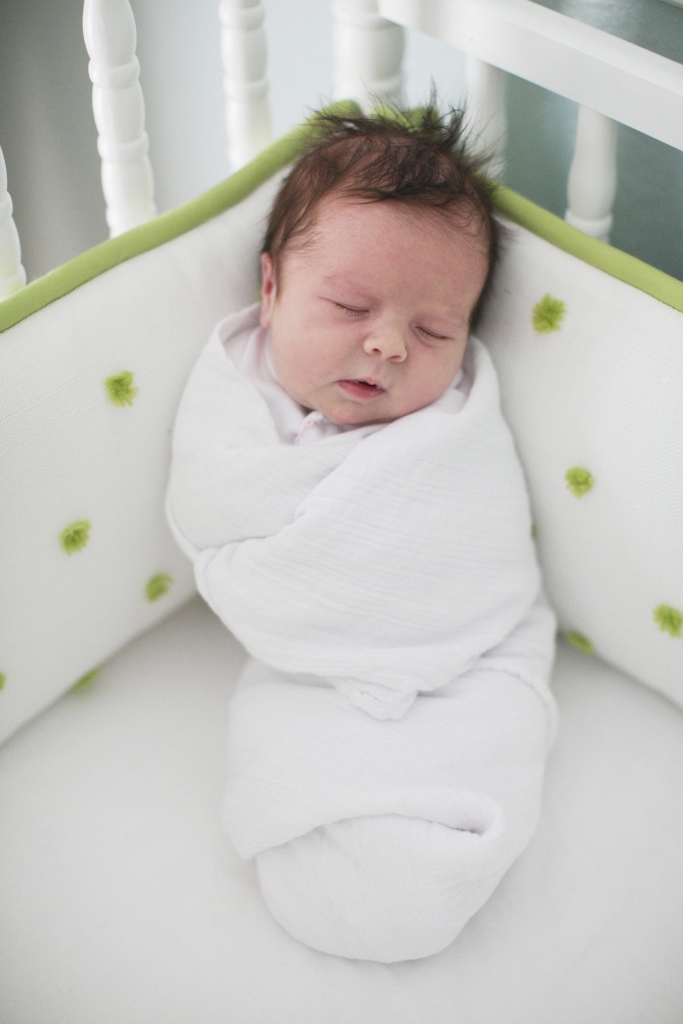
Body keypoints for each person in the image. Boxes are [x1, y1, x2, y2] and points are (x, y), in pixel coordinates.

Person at [165, 106, 558, 962]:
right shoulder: (236, 398)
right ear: (270, 290)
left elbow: (475, 545)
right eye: (349, 305)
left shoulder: (450, 427)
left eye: (433, 330)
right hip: (309, 668)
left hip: (465, 649)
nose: (386, 345)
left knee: (473, 760)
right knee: (303, 771)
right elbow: (214, 507)